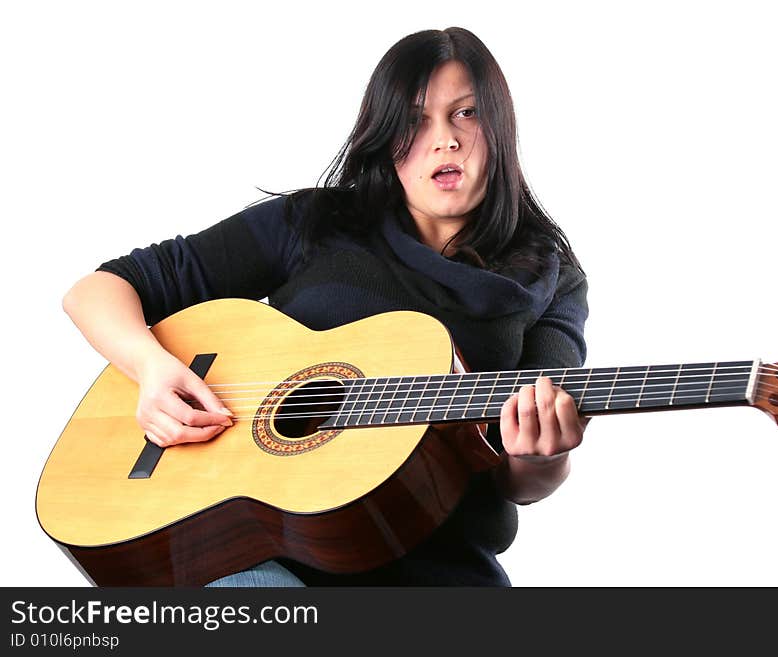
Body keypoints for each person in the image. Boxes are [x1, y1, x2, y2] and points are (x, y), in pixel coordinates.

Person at [61, 26, 590, 586]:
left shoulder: (552, 276)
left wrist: (542, 457)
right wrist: (152, 369)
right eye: (414, 120)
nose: (445, 140)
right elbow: (96, 291)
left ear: (500, 129)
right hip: (258, 554)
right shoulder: (313, 223)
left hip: (438, 562)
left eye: (466, 113)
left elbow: (523, 472)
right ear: (386, 137)